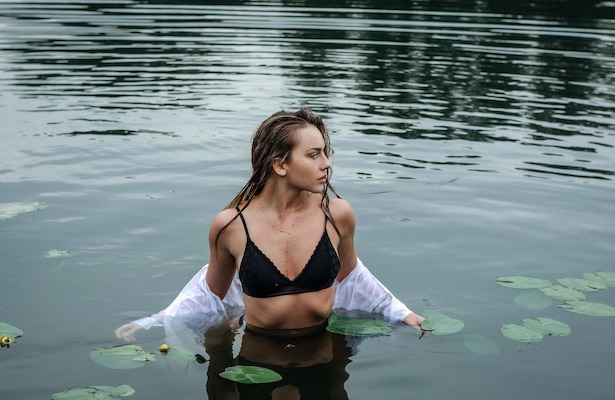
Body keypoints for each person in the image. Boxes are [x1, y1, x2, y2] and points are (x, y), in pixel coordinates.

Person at [115, 108, 424, 344]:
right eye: (314, 155)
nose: (327, 164)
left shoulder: (338, 215)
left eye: (325, 154)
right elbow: (209, 296)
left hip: (323, 351)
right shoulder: (231, 225)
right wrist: (154, 321)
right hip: (257, 354)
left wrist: (403, 314)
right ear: (280, 165)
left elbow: (354, 277)